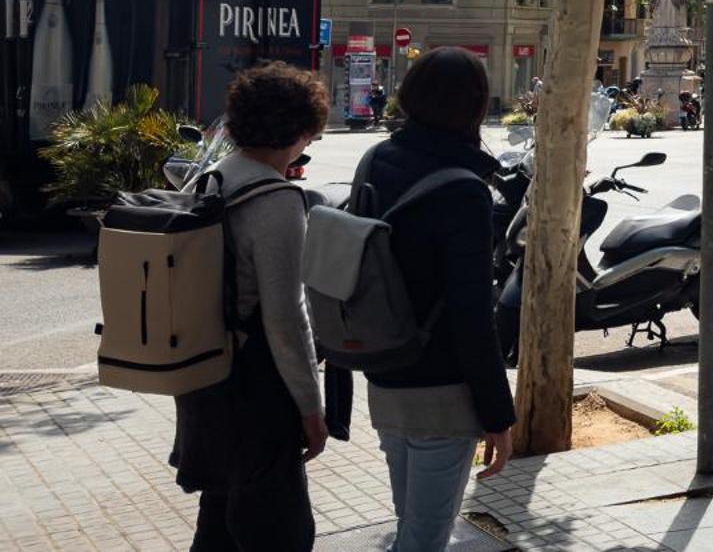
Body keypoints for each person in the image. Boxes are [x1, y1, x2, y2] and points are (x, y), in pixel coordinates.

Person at [361, 47, 515, 551]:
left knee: (410, 526)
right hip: (442, 392)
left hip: (383, 372)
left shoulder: (377, 158)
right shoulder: (464, 190)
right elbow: (473, 316)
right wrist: (498, 415)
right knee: (425, 540)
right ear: (474, 105)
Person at [172, 62, 329, 552]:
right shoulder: (277, 200)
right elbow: (286, 318)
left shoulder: (211, 179)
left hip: (205, 378)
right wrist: (311, 407)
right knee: (283, 533)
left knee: (219, 522)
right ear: (298, 131)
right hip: (257, 391)